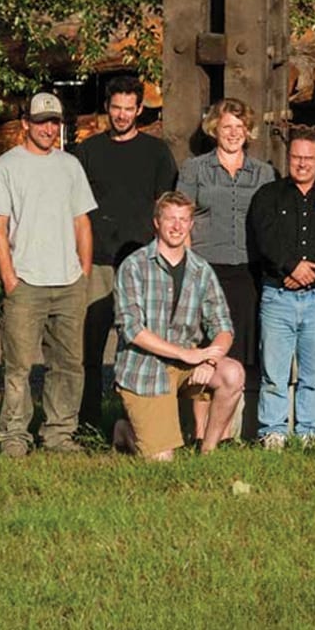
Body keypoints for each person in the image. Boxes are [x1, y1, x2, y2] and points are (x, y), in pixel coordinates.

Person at [0, 91, 96, 458]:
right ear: (26, 124)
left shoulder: (70, 166)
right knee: (17, 366)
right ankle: (14, 434)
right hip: (26, 282)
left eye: (54, 122)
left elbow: (82, 222)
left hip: (68, 282)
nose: (48, 128)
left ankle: (60, 433)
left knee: (67, 364)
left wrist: (84, 270)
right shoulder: (6, 166)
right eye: (42, 121)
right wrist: (9, 277)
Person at [72, 74, 178, 441]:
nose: (121, 115)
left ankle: (136, 424)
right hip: (98, 259)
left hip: (141, 263)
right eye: (115, 107)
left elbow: (166, 207)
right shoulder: (88, 152)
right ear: (107, 108)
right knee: (89, 347)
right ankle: (85, 424)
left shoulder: (156, 152)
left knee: (140, 348)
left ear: (139, 110)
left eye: (128, 108)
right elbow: (76, 209)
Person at [111, 191, 245, 460]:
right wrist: (185, 353)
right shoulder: (134, 266)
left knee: (232, 373)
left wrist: (210, 360)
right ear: (157, 223)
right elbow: (131, 328)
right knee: (162, 460)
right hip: (146, 368)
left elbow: (223, 326)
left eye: (183, 220)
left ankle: (208, 450)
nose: (177, 226)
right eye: (170, 219)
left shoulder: (201, 269)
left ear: (191, 225)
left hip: (188, 364)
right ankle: (125, 431)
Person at [248, 126, 315, 448]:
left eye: (309, 158)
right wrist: (291, 267)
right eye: (296, 157)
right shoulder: (268, 195)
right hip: (277, 296)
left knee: (314, 373)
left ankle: (308, 431)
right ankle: (273, 431)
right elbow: (264, 240)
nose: (302, 164)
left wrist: (311, 274)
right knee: (274, 373)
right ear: (287, 157)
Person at [177, 98, 275, 434]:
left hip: (248, 269)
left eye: (239, 127)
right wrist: (188, 268)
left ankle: (238, 425)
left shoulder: (264, 172)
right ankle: (200, 430)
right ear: (214, 129)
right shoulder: (195, 169)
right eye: (226, 126)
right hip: (206, 268)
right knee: (204, 348)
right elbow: (182, 218)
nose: (233, 133)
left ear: (248, 132)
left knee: (245, 347)